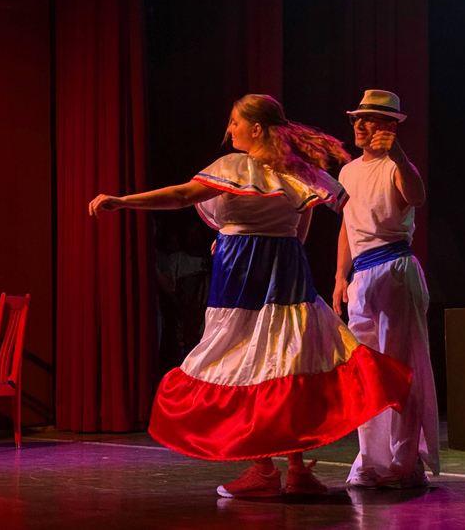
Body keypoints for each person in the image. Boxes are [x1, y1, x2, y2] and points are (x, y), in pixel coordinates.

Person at [89, 94, 412, 498]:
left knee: (246, 362)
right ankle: (295, 470)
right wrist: (267, 242)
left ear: (256, 129)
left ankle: (264, 470)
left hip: (243, 276)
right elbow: (302, 222)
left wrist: (123, 202)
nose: (230, 130)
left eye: (235, 122)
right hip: (285, 271)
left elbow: (182, 196)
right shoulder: (298, 172)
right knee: (290, 361)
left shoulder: (234, 167)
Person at [333, 89, 440, 489]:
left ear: (389, 126)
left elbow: (417, 197)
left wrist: (397, 154)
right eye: (357, 118)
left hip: (394, 269)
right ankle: (372, 461)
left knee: (400, 370)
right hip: (362, 276)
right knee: (367, 373)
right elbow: (347, 224)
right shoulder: (348, 172)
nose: (359, 124)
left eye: (369, 119)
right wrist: (340, 276)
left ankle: (405, 462)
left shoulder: (397, 166)